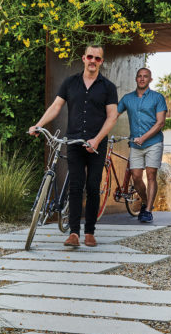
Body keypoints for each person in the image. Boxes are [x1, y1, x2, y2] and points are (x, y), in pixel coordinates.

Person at [29, 44, 118, 247]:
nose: (93, 61)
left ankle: (90, 232)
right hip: (74, 142)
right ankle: (74, 233)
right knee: (75, 187)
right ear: (83, 58)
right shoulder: (70, 83)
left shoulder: (108, 87)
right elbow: (56, 107)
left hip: (97, 144)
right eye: (90, 57)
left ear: (101, 62)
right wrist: (39, 124)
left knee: (93, 186)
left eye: (97, 58)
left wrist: (97, 139)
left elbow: (112, 117)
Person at [117, 66, 168, 223]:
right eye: (139, 76)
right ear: (136, 78)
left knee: (151, 174)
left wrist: (144, 137)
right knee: (136, 177)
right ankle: (146, 202)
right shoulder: (127, 99)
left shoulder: (157, 98)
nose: (142, 78)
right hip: (135, 144)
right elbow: (113, 115)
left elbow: (160, 123)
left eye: (145, 76)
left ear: (150, 79)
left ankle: (147, 211)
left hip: (153, 142)